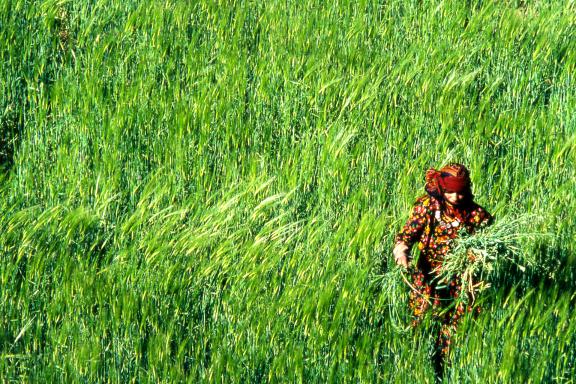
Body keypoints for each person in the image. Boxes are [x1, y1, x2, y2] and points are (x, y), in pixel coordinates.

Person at [392, 163, 492, 378]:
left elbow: (488, 247)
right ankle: (419, 370)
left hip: (461, 282)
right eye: (450, 192)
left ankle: (447, 371)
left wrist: (478, 258)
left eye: (461, 192)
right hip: (428, 279)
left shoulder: (476, 215)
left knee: (455, 330)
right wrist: (401, 252)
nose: (456, 197)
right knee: (421, 325)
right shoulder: (428, 207)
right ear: (440, 188)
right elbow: (406, 236)